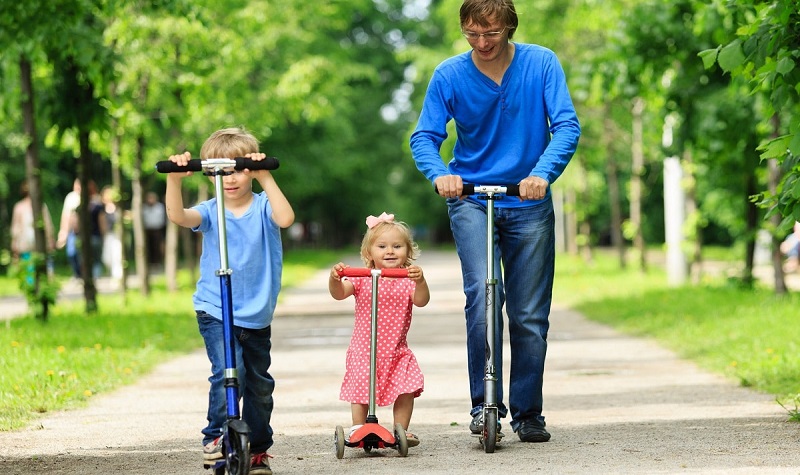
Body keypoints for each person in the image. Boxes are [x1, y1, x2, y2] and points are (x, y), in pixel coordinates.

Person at [409, 0, 581, 443]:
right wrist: (440, 174)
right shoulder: (449, 74)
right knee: (483, 297)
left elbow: (565, 125)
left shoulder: (541, 63)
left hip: (527, 201)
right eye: (472, 34)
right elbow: (425, 136)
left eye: (491, 34)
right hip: (471, 199)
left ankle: (527, 412)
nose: (482, 43)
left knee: (527, 314)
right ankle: (483, 405)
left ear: (509, 28)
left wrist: (542, 173)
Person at [164, 126, 294, 475]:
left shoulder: (265, 206)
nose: (230, 178)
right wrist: (175, 180)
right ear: (208, 174)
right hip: (216, 309)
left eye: (237, 168)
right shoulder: (209, 211)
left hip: (256, 314)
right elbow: (178, 216)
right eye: (220, 171)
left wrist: (266, 177)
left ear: (250, 170)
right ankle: (215, 438)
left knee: (259, 386)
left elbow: (286, 218)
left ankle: (257, 449)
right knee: (226, 373)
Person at [328, 212, 430, 448]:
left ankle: (401, 429)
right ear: (369, 253)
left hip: (396, 351)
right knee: (361, 387)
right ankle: (358, 427)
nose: (390, 251)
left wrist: (420, 281)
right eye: (382, 246)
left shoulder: (407, 279)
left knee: (407, 387)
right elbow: (338, 293)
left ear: (408, 250)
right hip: (365, 350)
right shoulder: (362, 278)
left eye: (397, 246)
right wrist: (335, 279)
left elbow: (422, 300)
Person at [11, 182, 55, 281]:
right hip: (28, 244)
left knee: (32, 268)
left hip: (33, 243)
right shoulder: (22, 207)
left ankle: (36, 287)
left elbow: (15, 228)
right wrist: (51, 239)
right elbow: (47, 225)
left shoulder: (23, 207)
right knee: (33, 268)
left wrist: (14, 242)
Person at [57, 178, 82, 279]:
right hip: (72, 232)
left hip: (84, 232)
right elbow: (65, 215)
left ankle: (82, 274)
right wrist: (63, 231)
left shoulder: (88, 197)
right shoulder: (71, 197)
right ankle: (77, 274)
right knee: (72, 253)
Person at [142, 191, 167, 270]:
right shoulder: (144, 208)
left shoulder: (160, 207)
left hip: (157, 229)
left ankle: (157, 263)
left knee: (157, 247)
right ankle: (150, 263)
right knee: (149, 247)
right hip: (148, 230)